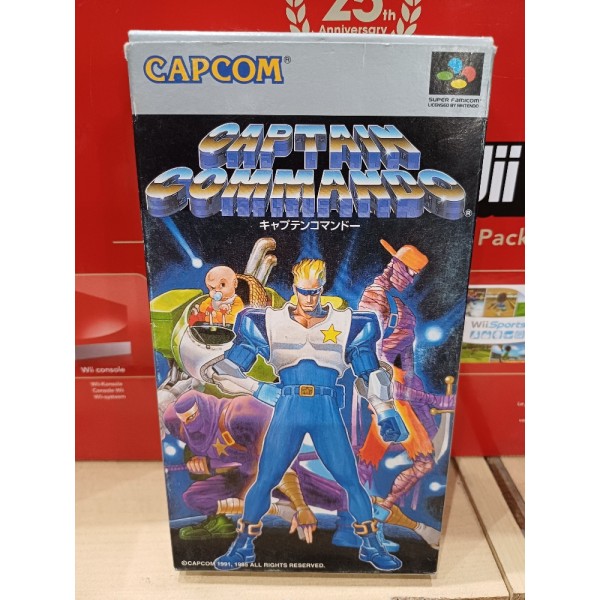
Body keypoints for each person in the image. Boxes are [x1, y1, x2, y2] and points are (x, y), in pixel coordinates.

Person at [209, 258, 408, 571]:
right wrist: (258, 389)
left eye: (315, 292)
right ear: (294, 287)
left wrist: (385, 411)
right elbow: (223, 370)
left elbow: (370, 373)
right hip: (287, 406)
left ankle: (371, 545)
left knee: (350, 480)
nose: (309, 299)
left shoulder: (350, 324)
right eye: (304, 291)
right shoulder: (266, 322)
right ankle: (243, 545)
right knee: (266, 479)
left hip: (326, 409)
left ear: (322, 288)